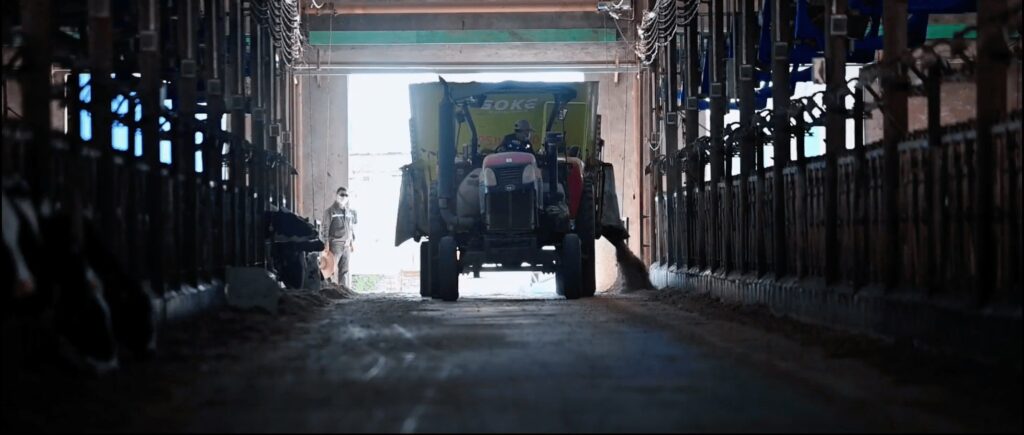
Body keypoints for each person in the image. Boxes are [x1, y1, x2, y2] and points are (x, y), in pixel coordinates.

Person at [322, 186, 357, 287]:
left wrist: (351, 243)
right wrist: (326, 244)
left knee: (344, 271)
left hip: (346, 245)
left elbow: (350, 228)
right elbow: (325, 228)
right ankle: (329, 292)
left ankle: (343, 292)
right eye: (342, 194)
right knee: (330, 270)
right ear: (336, 196)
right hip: (335, 245)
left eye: (346, 195)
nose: (344, 197)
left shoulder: (349, 212)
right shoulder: (330, 211)